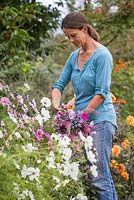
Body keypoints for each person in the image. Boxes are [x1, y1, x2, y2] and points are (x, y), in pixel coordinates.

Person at [51, 12, 118, 200]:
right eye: (67, 37)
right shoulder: (74, 57)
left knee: (99, 177)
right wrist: (57, 105)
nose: (71, 40)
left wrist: (81, 117)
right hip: (81, 122)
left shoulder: (102, 55)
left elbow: (101, 93)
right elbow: (59, 85)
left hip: (100, 120)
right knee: (92, 176)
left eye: (73, 35)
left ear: (85, 29)